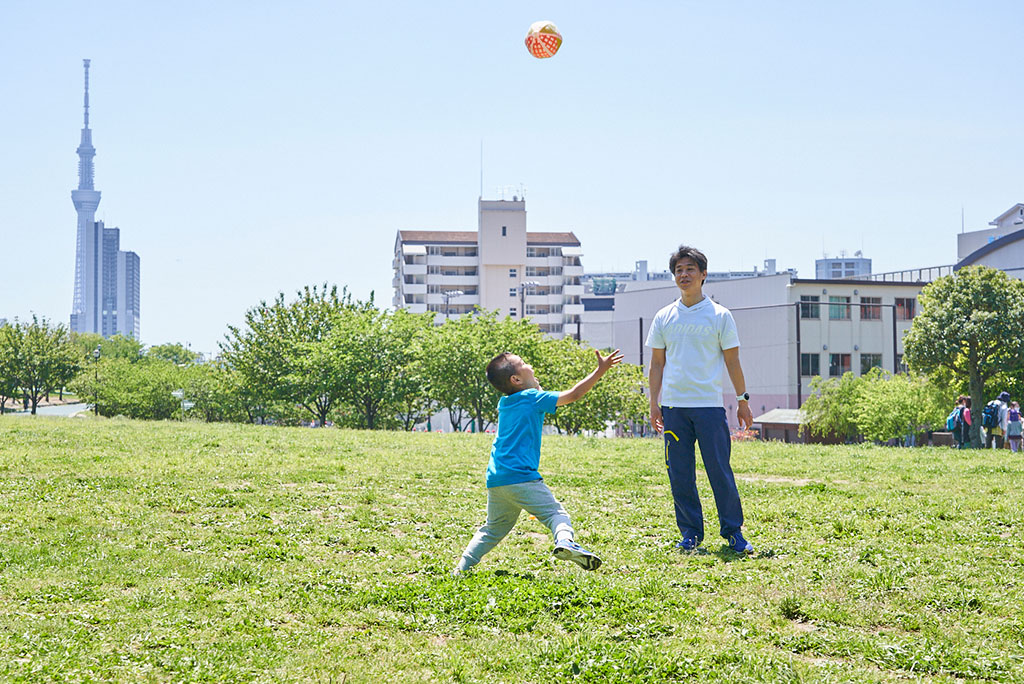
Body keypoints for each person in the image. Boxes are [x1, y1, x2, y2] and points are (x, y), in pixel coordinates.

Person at [453, 348, 624, 574]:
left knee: (492, 529)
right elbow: (572, 395)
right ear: (515, 379)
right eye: (523, 363)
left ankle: (461, 569)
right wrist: (599, 370)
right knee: (556, 514)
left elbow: (530, 399)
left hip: (497, 478)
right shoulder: (533, 398)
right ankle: (565, 542)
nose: (529, 365)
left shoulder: (505, 402)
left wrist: (534, 385)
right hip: (522, 477)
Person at [647, 245, 755, 555]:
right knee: (680, 474)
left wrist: (742, 399)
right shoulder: (664, 316)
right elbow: (656, 364)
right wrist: (654, 402)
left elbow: (733, 362)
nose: (684, 274)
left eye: (690, 269)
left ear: (703, 275)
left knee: (719, 471)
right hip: (674, 409)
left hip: (709, 407)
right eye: (679, 270)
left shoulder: (720, 315)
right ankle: (690, 534)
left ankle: (734, 533)